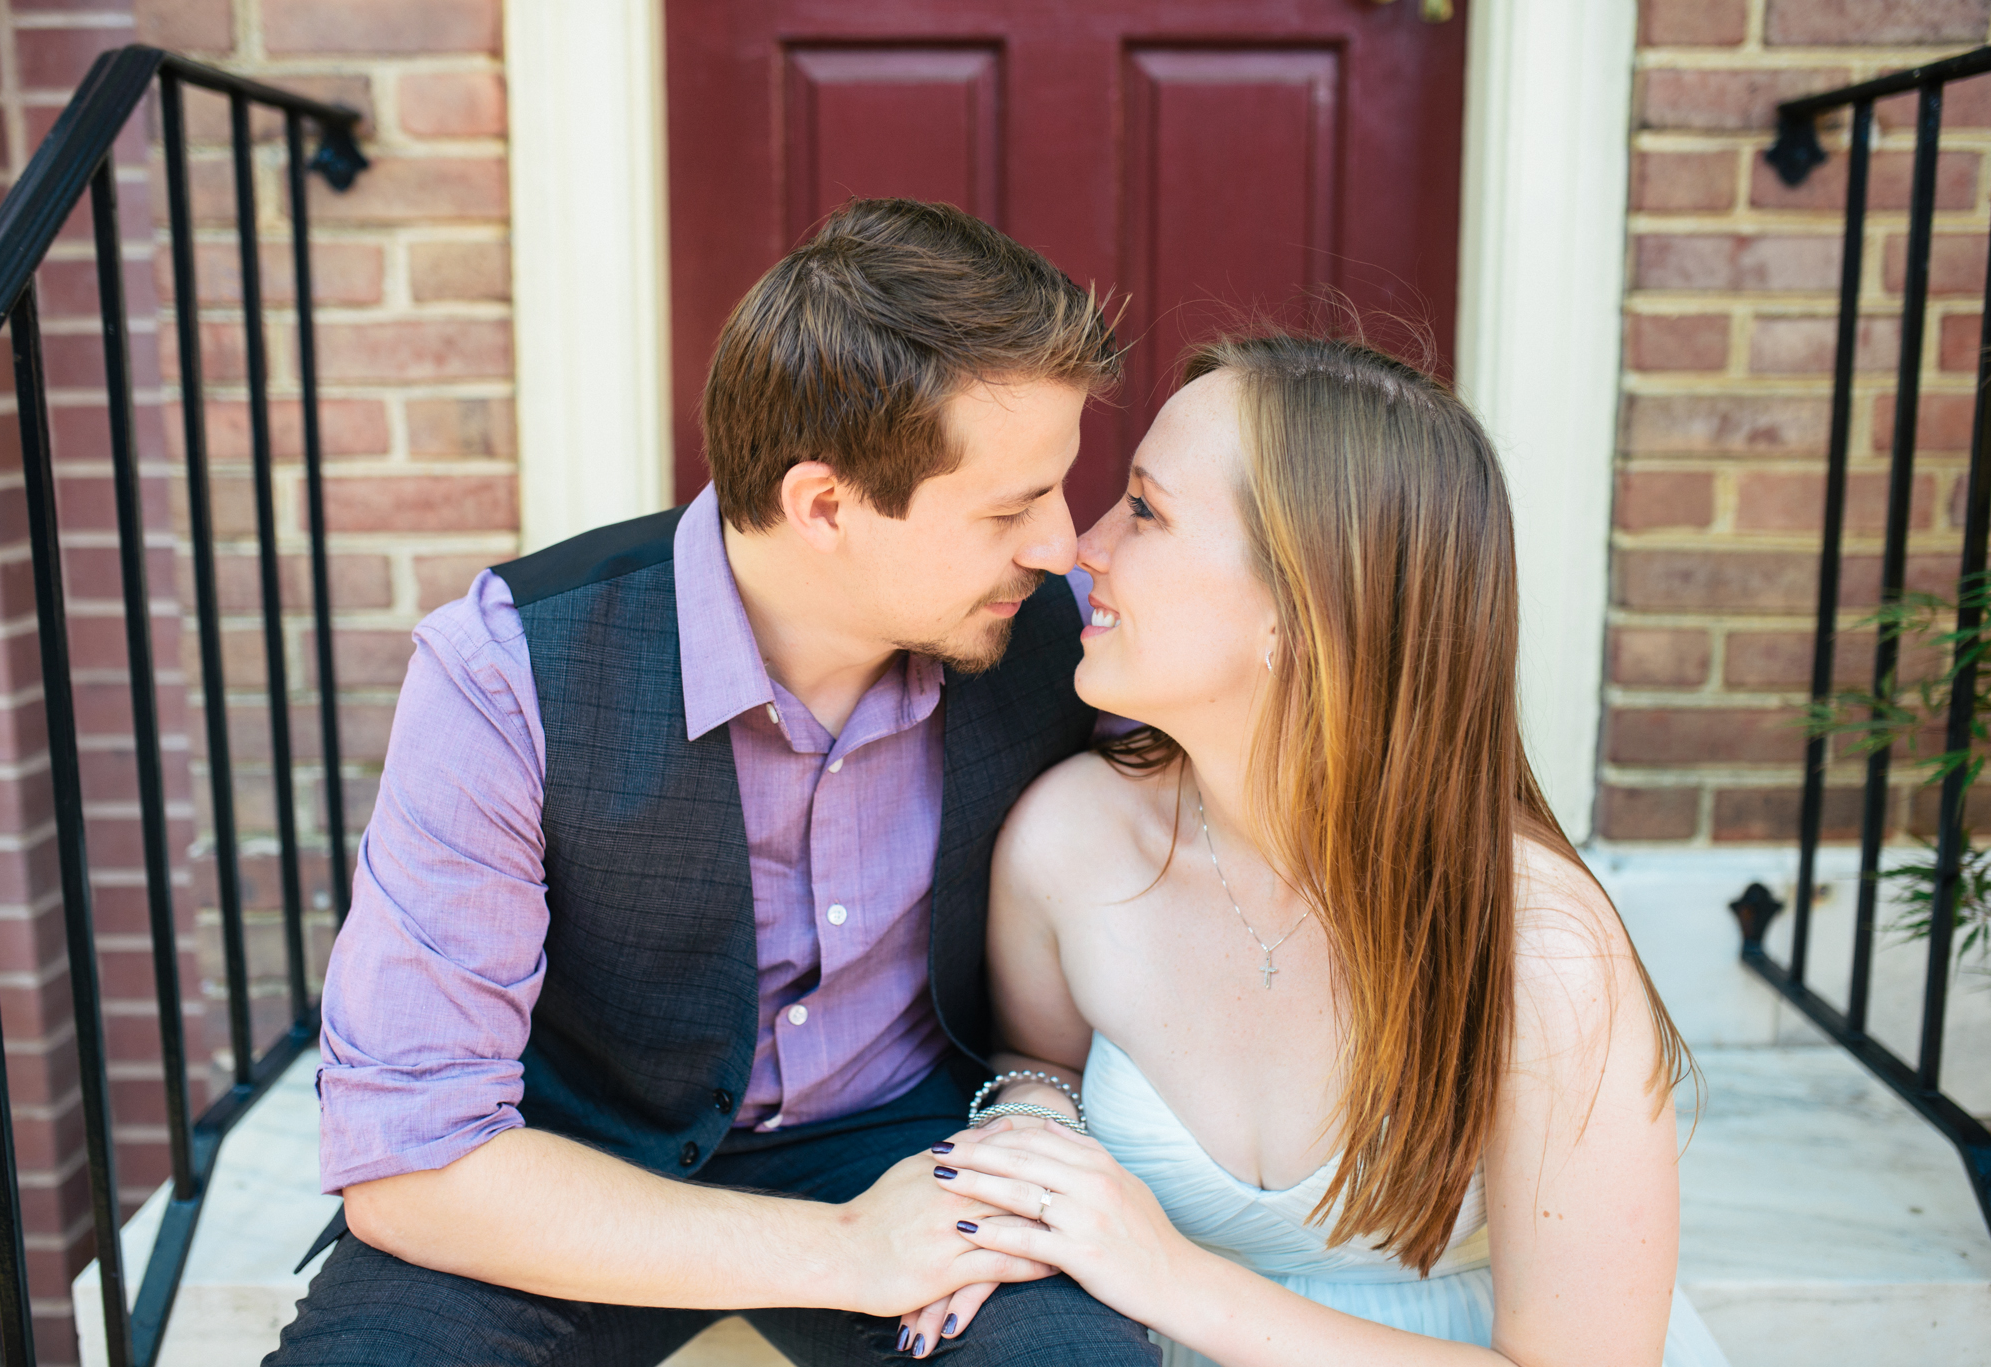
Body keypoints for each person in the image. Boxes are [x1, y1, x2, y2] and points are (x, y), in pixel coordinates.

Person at [265, 199, 1163, 1365]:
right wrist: (844, 1249)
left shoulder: (1065, 635)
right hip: (565, 1160)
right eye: (1008, 507)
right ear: (824, 503)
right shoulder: (505, 672)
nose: (1060, 545)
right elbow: (413, 1157)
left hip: (907, 1142)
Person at [904, 335, 1733, 1366]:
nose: (1082, 545)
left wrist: (1168, 1274)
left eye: (1146, 510)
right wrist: (1028, 1148)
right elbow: (1041, 1060)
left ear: (1298, 610)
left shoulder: (1540, 945)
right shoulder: (1066, 840)